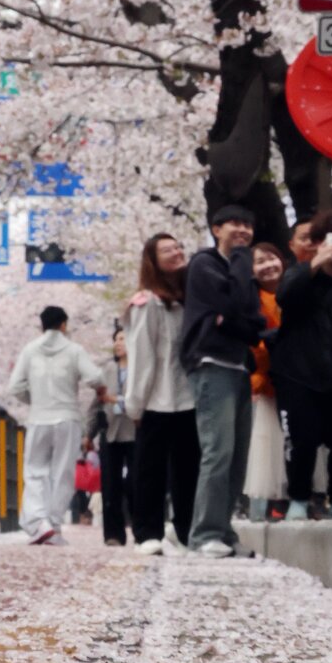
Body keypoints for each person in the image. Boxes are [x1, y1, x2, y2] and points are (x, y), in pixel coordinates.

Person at [181, 205, 264, 558]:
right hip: (211, 364)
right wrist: (242, 260)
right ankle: (204, 534)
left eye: (248, 225)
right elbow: (236, 306)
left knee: (237, 457)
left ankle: (224, 531)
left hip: (239, 367)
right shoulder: (204, 264)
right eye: (235, 224)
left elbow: (253, 322)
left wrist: (234, 321)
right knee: (218, 452)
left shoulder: (239, 271)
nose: (243, 230)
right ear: (216, 229)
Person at [274, 214, 332, 520]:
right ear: (317, 244)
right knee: (302, 440)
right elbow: (285, 296)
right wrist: (315, 263)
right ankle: (299, 499)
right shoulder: (299, 274)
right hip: (297, 375)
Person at [125, 232, 199, 556]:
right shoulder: (148, 302)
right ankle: (147, 533)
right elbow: (142, 356)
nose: (176, 252)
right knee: (149, 470)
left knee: (188, 469)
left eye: (178, 247)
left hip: (189, 398)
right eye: (167, 250)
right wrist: (135, 404)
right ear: (153, 261)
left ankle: (185, 531)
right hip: (156, 399)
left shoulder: (191, 298)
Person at [7, 306, 104, 544]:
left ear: (42, 325)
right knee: (63, 473)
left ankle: (39, 522)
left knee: (34, 470)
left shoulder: (30, 350)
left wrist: (36, 400)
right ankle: (54, 524)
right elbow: (96, 377)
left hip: (39, 417)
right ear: (63, 325)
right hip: (68, 417)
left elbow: (15, 387)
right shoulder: (74, 350)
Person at [245, 243, 289, 519]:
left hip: (298, 375)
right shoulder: (252, 301)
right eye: (260, 261)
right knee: (270, 441)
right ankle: (275, 501)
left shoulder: (295, 290)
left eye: (271, 258)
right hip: (267, 378)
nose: (268, 265)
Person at [90, 328, 137, 547]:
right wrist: (88, 434)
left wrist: (115, 400)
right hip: (110, 432)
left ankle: (141, 530)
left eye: (123, 339)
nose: (118, 343)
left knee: (137, 483)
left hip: (135, 431)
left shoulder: (141, 368)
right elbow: (95, 404)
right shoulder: (106, 370)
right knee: (110, 485)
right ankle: (113, 534)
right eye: (116, 339)